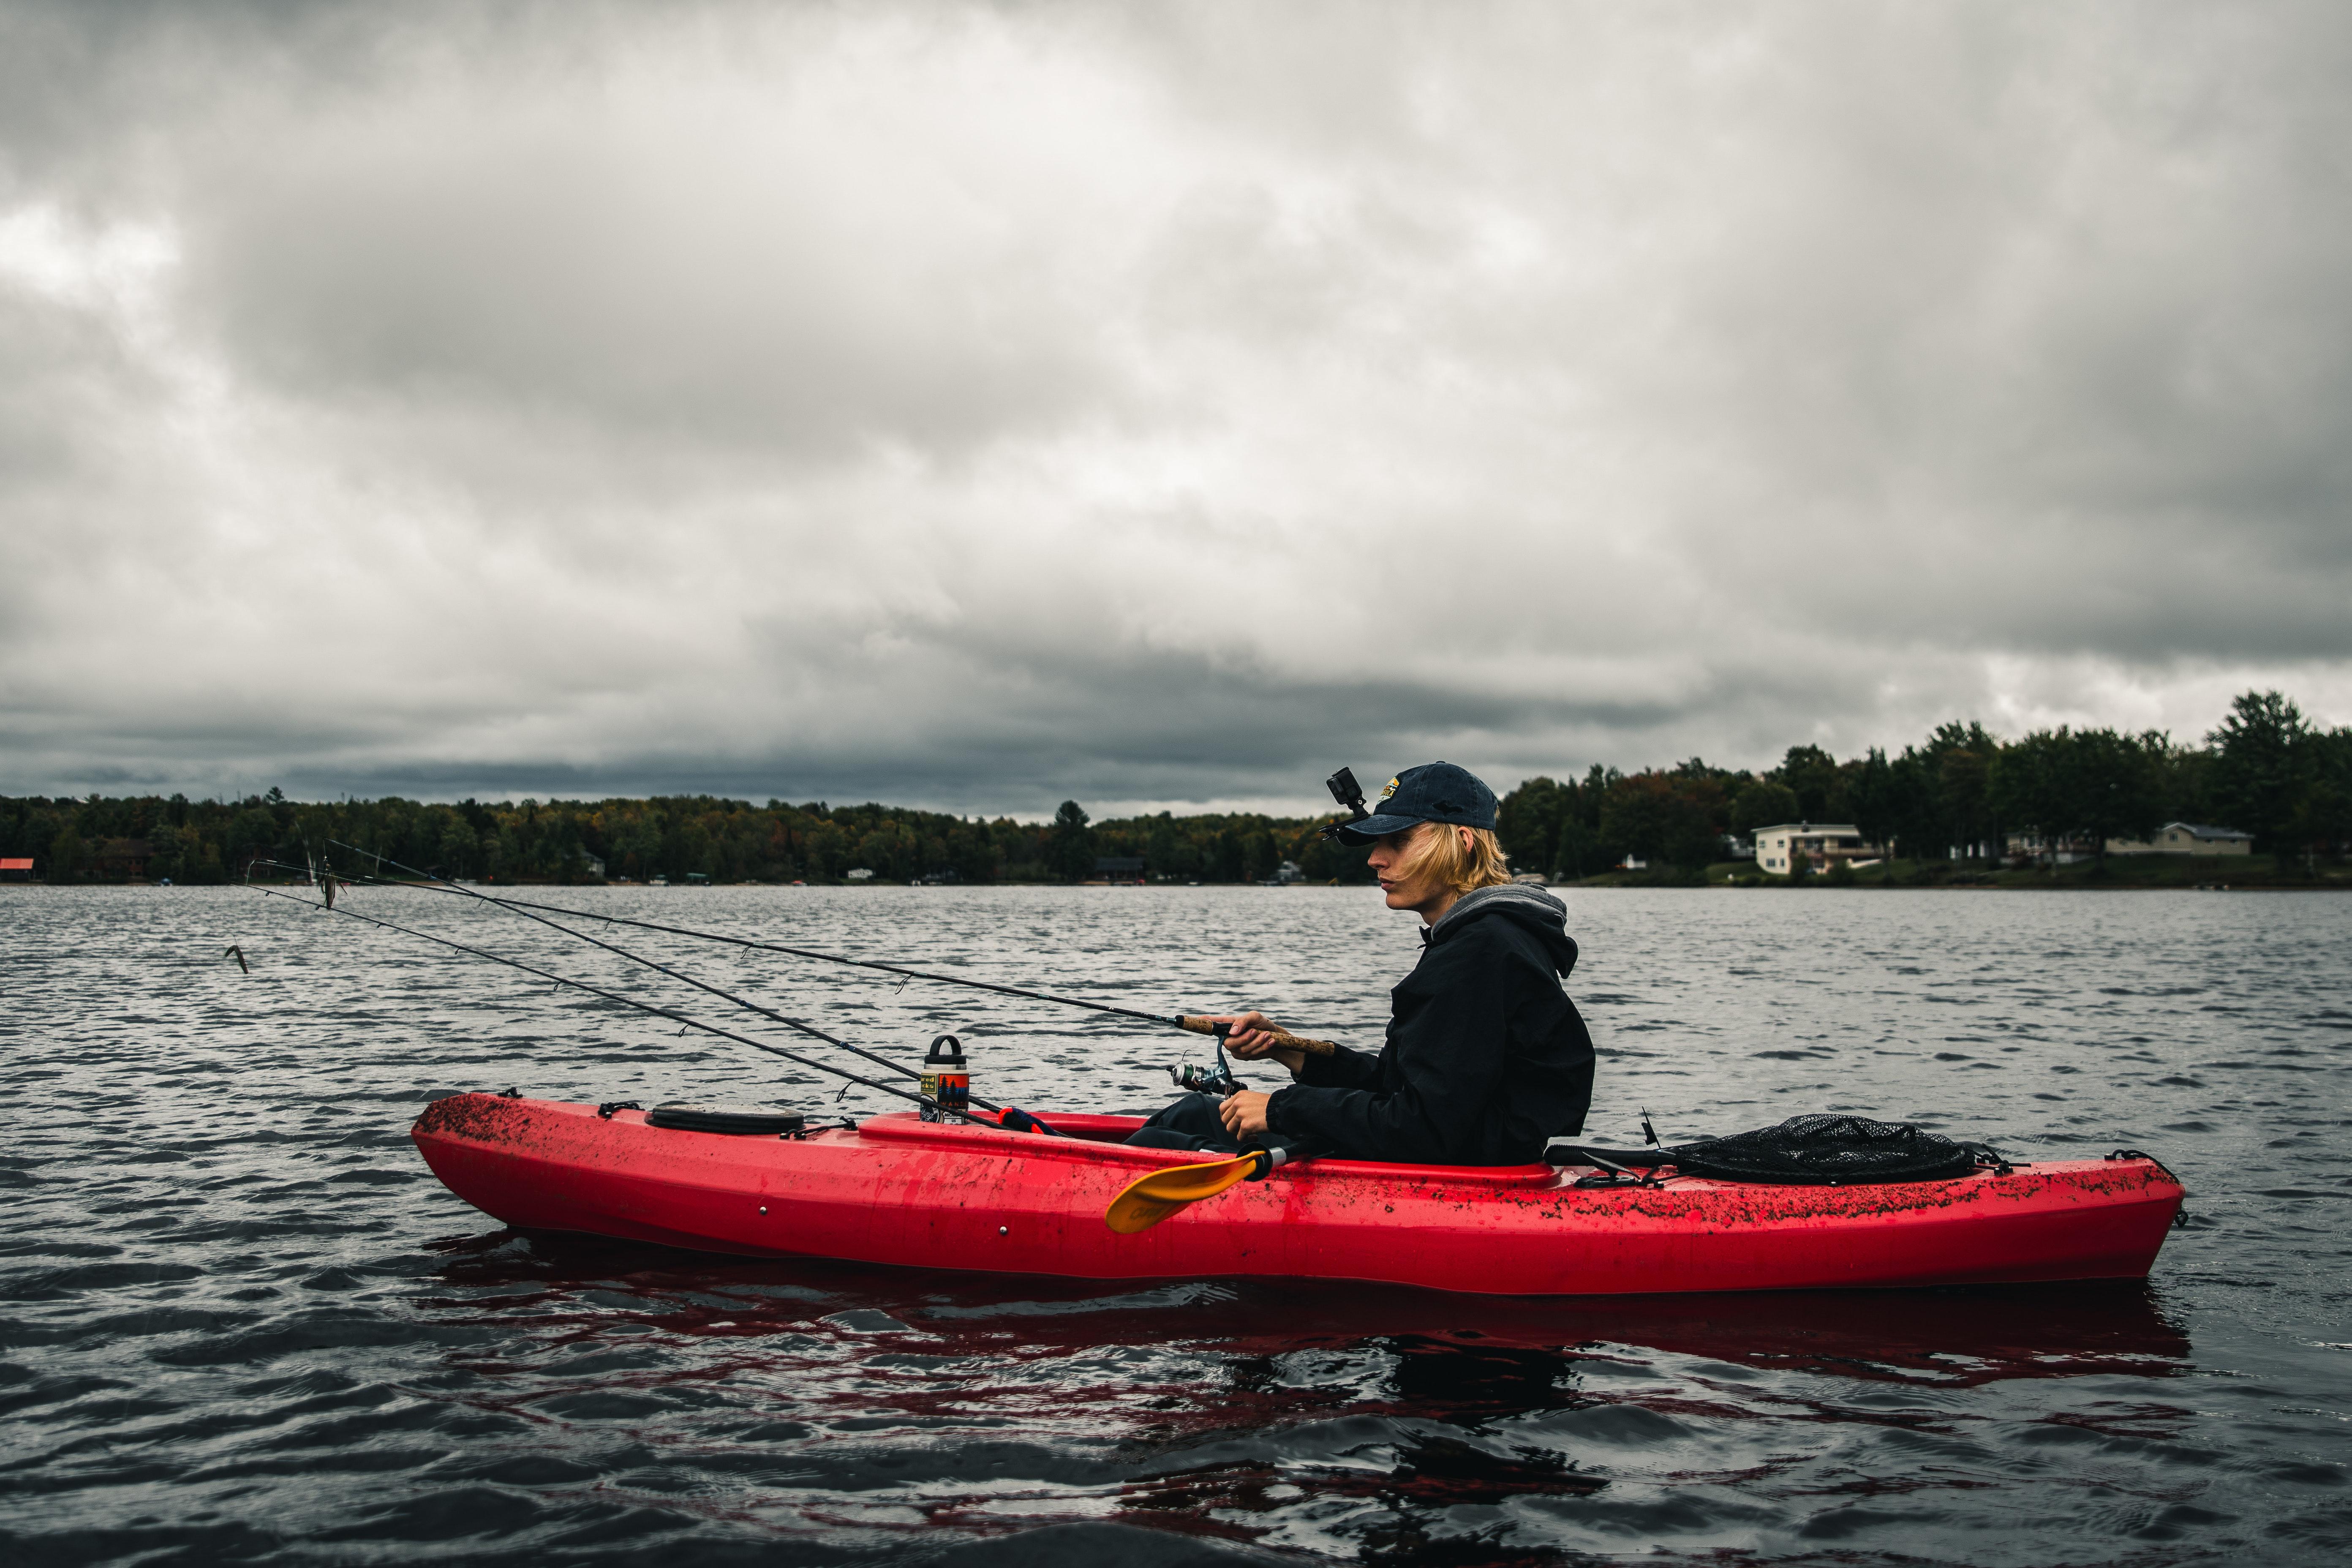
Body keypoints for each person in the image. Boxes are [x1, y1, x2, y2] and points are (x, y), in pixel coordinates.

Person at [1126, 761, 1595, 1165]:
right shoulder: (1481, 938)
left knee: (1162, 1143)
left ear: (1463, 841)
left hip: (1457, 1170)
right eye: (1377, 843)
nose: (1375, 858)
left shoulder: (1479, 954)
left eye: (1398, 840)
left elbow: (1422, 1129)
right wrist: (1286, 1048)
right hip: (1449, 1147)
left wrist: (1280, 1109)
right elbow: (1403, 1087)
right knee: (1194, 1114)